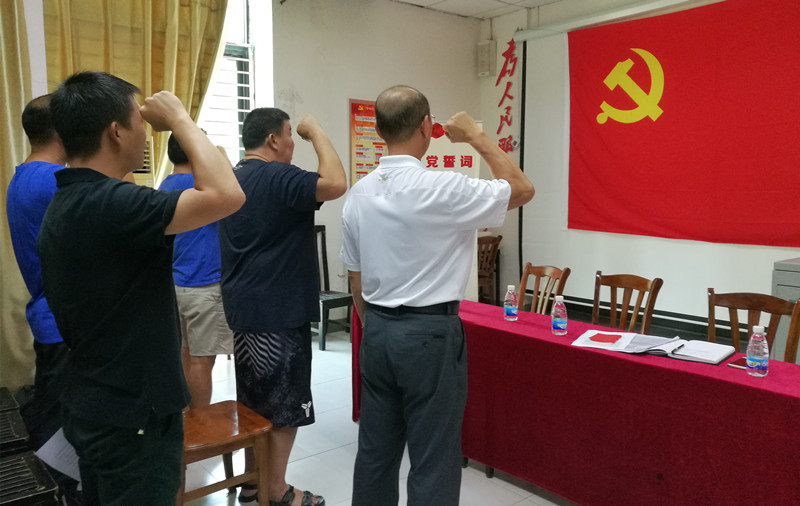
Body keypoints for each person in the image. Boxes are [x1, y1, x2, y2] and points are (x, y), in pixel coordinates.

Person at [37, 71, 245, 506]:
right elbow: (228, 194)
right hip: (133, 416)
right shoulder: (112, 205)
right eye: (139, 122)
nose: (147, 134)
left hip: (96, 400)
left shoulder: (71, 200)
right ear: (116, 132)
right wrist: (181, 119)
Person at [339, 85, 535, 506]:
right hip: (429, 334)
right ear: (427, 127)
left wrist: (379, 329)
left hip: (377, 331)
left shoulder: (358, 195)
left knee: (375, 452)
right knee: (433, 456)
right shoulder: (444, 188)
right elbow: (521, 188)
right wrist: (477, 137)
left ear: (379, 130)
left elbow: (356, 279)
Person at [218, 107, 346, 505]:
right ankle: (275, 491)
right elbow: (336, 182)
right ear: (273, 139)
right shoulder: (278, 176)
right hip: (278, 311)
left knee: (254, 403)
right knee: (285, 408)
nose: (293, 142)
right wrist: (317, 130)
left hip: (243, 309)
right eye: (289, 134)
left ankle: (253, 482)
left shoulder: (231, 178)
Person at [159, 133, 234, 408]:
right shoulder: (204, 188)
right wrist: (220, 157)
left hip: (174, 286)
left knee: (185, 354)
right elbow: (235, 193)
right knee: (202, 361)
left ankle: (186, 417)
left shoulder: (163, 186)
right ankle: (200, 422)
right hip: (203, 286)